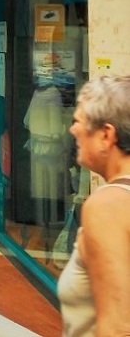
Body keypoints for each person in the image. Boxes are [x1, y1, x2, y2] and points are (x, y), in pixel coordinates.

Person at [58, 76, 130, 337]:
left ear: (107, 135)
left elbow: (118, 328)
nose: (72, 130)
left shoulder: (108, 205)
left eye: (78, 121)